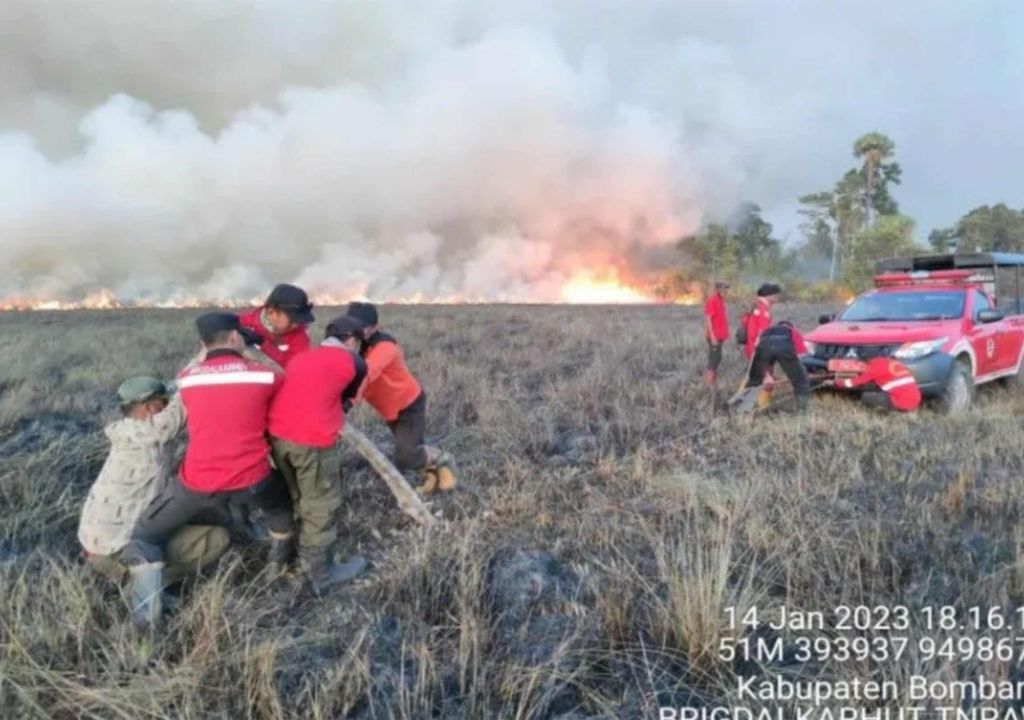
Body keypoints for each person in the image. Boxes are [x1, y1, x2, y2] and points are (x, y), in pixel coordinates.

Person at [122, 313, 295, 630]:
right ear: (234, 338)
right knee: (281, 508)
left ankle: (147, 622)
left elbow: (198, 371)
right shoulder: (263, 376)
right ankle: (276, 570)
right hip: (252, 478)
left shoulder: (187, 378)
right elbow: (283, 379)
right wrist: (251, 353)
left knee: (145, 535)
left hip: (197, 484)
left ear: (202, 344)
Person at [78, 377, 229, 586]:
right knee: (216, 538)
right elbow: (172, 419)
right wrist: (201, 376)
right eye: (164, 403)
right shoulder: (148, 436)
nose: (167, 408)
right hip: (116, 550)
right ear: (149, 407)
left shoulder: (131, 433)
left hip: (98, 545)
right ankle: (141, 583)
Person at [267, 315, 369, 590]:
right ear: (352, 341)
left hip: (276, 436)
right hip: (311, 440)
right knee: (321, 503)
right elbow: (346, 399)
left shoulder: (302, 357)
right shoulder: (355, 362)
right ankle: (320, 575)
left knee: (295, 494)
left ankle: (280, 561)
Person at [345, 301, 456, 494]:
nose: (357, 331)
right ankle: (434, 479)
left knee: (406, 456)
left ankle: (444, 459)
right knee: (412, 449)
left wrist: (347, 403)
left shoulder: (385, 346)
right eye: (353, 325)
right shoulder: (354, 345)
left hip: (408, 405)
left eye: (363, 326)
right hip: (390, 410)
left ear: (375, 327)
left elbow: (367, 373)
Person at [732, 320, 811, 413]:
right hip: (783, 346)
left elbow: (757, 349)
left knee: (754, 381)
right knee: (801, 382)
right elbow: (801, 355)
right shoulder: (792, 331)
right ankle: (802, 412)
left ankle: (743, 409)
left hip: (764, 347)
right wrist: (798, 372)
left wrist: (766, 375)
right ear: (790, 326)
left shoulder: (767, 331)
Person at [238, 283, 316, 368]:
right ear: (271, 311)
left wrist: (263, 343)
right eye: (293, 319)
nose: (297, 324)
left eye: (300, 319)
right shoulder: (243, 323)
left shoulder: (300, 334)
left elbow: (296, 365)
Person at [832, 357, 921, 412]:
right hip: (915, 400)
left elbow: (855, 382)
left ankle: (886, 410)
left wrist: (838, 382)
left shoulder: (874, 367)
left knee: (864, 396)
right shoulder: (892, 362)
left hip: (902, 402)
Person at [703, 281, 730, 389]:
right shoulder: (712, 301)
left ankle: (713, 377)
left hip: (720, 334)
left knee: (718, 357)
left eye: (726, 289)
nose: (725, 291)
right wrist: (712, 336)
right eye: (723, 289)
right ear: (717, 289)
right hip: (714, 335)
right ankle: (709, 381)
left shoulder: (721, 300)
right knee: (714, 358)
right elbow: (708, 319)